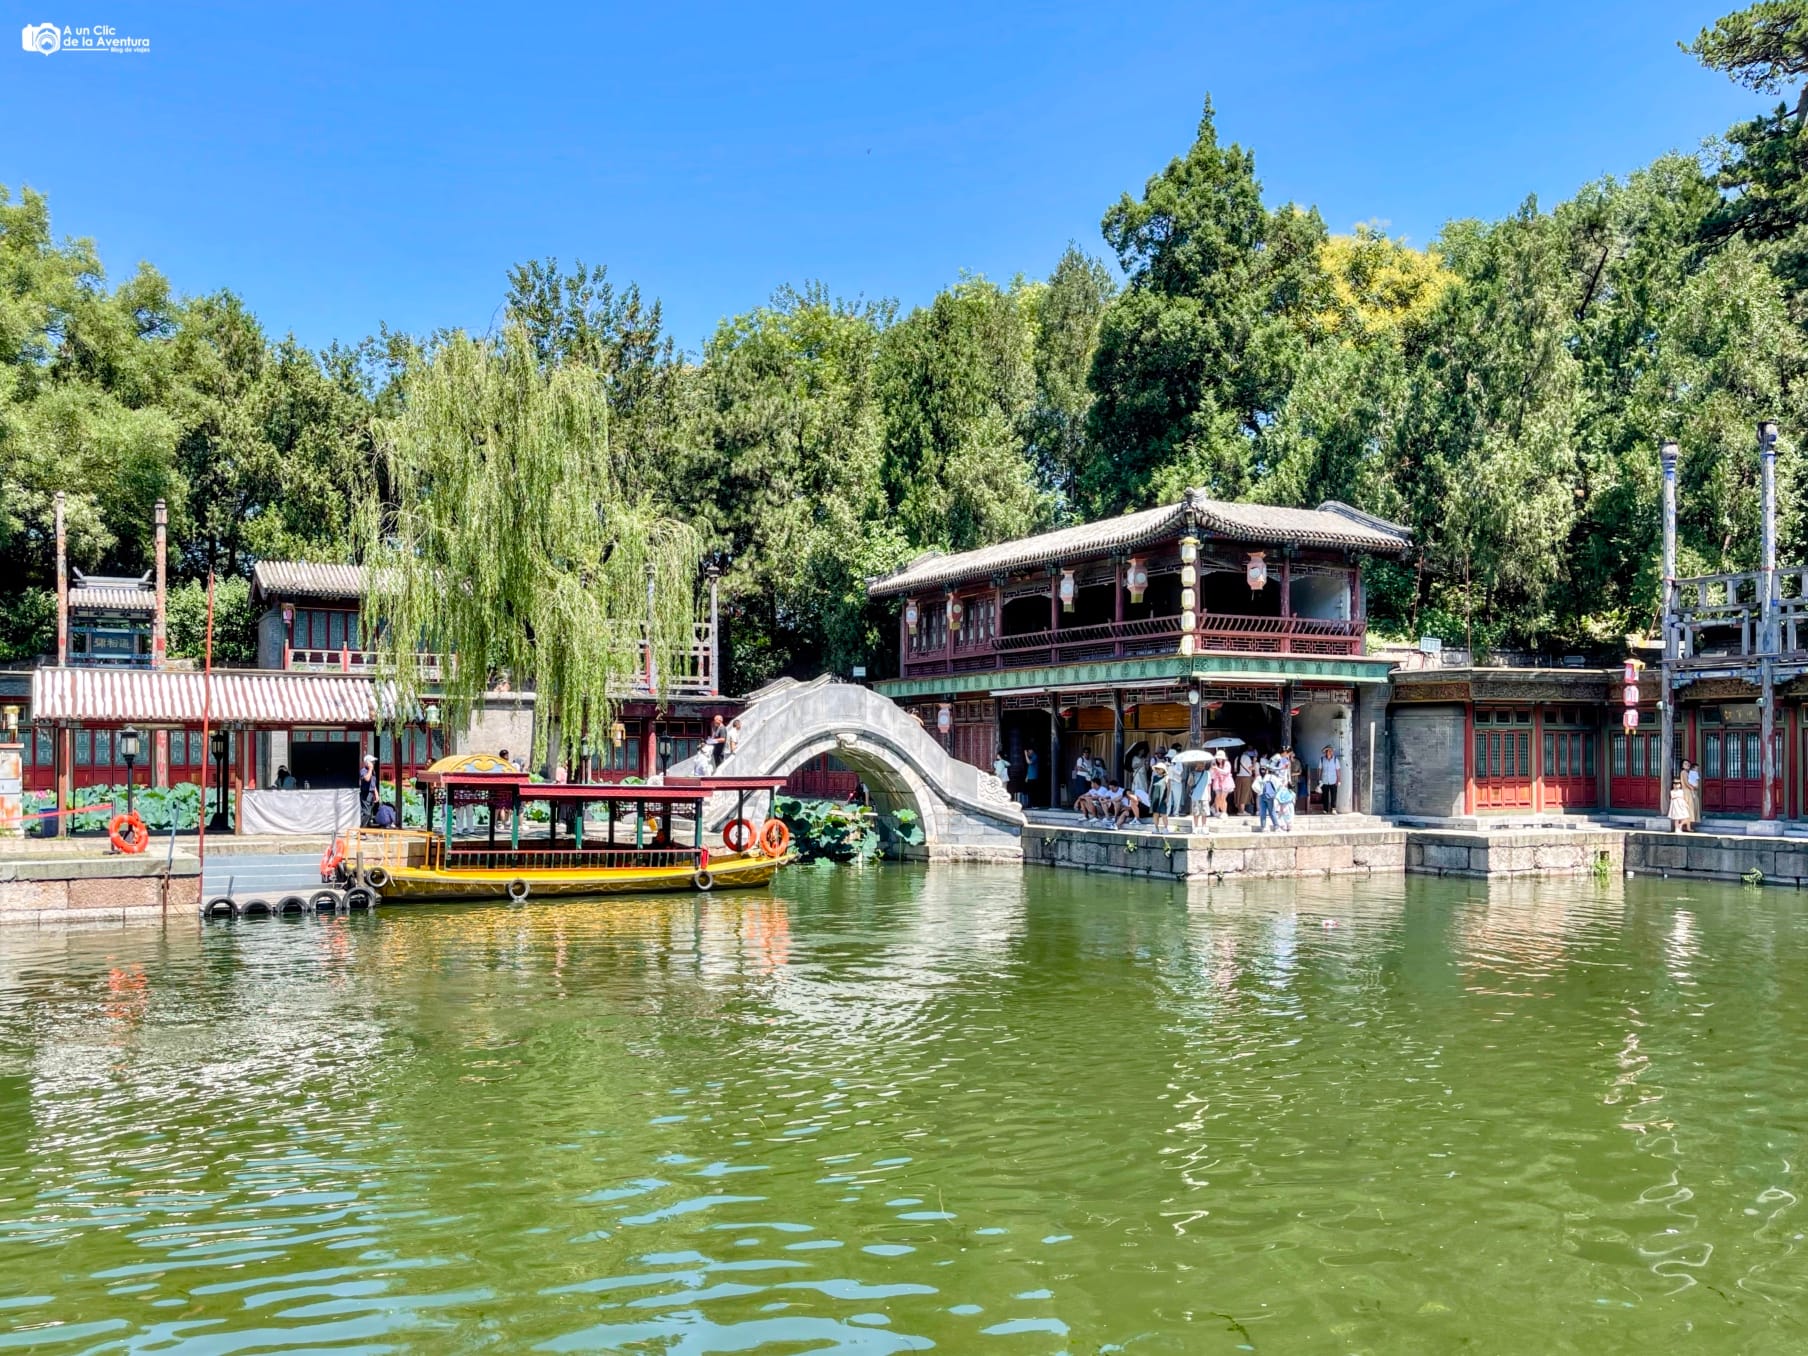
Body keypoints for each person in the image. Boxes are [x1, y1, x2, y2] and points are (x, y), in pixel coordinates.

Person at [1319, 744, 1341, 815]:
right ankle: (1325, 809)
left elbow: (1338, 770)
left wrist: (1338, 780)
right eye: (1328, 751)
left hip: (1333, 780)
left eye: (1330, 751)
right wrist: (1319, 779)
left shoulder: (1335, 760)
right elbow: (1320, 769)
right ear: (1325, 752)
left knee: (1333, 795)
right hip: (1324, 780)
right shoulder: (1322, 759)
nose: (1329, 752)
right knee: (1325, 795)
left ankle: (1333, 809)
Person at [357, 754, 377, 827]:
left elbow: (373, 783)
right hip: (365, 793)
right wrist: (370, 769)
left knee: (369, 813)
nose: (373, 764)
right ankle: (362, 830)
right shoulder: (364, 771)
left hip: (371, 794)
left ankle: (365, 829)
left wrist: (376, 794)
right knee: (366, 813)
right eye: (372, 762)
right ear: (367, 763)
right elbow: (367, 779)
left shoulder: (373, 772)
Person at [1234, 748, 1255, 815]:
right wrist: (1254, 762)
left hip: (1238, 778)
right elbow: (1251, 768)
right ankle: (1242, 811)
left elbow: (1235, 769)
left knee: (1239, 793)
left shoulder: (1237, 758)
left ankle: (1239, 810)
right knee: (1244, 794)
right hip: (1246, 778)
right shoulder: (1247, 758)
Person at [1683, 759, 1702, 831]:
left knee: (1691, 809)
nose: (1687, 765)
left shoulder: (1688, 773)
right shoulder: (1684, 773)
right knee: (1689, 809)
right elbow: (1687, 783)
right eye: (1685, 764)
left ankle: (1688, 826)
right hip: (1688, 791)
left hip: (1690, 790)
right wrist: (1692, 788)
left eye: (1688, 764)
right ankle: (1684, 825)